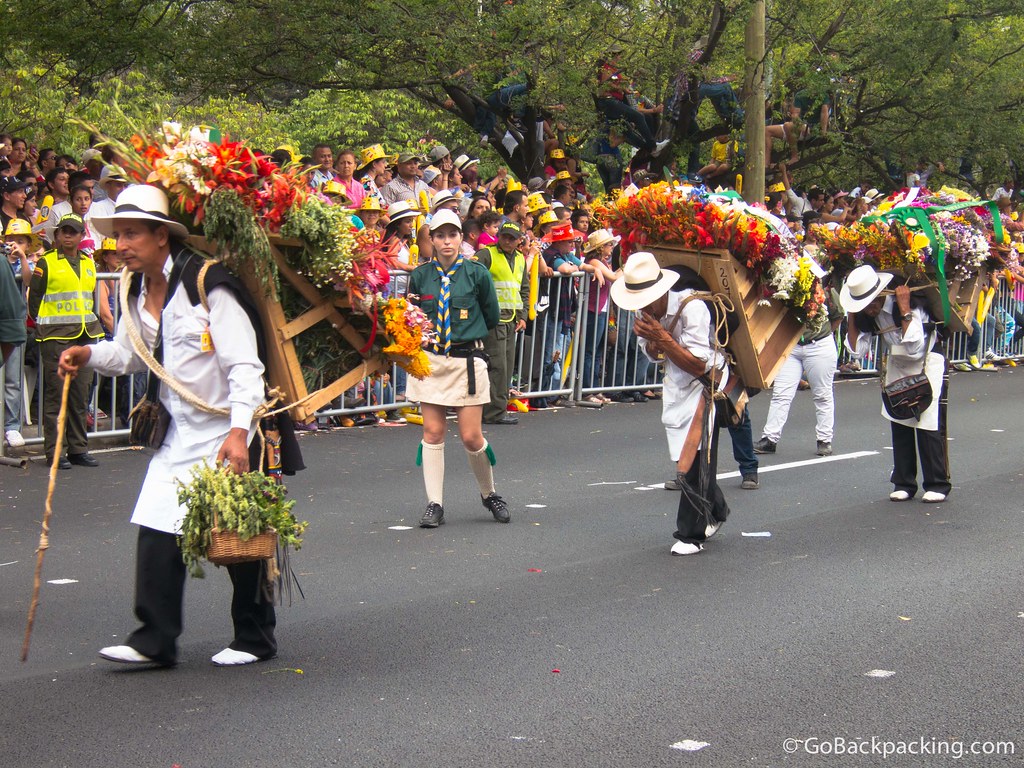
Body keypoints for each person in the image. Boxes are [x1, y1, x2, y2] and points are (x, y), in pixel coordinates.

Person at [59, 184, 284, 666]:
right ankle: (154, 639)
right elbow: (128, 355)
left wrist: (240, 433)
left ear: (162, 236)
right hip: (179, 433)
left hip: (227, 428)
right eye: (118, 234)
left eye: (132, 234)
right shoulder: (133, 289)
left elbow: (245, 367)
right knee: (158, 527)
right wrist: (87, 354)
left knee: (240, 535)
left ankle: (254, 637)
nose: (121, 244)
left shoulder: (209, 285)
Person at [613, 254, 730, 555]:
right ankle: (715, 510)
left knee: (694, 457)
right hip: (677, 387)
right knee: (685, 455)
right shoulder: (644, 315)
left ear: (663, 291)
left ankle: (691, 534)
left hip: (706, 384)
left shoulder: (693, 308)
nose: (644, 306)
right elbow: (653, 356)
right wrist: (654, 343)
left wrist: (662, 338)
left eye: (648, 299)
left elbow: (696, 365)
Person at [405, 209, 510, 528]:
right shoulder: (420, 275)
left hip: (467, 358)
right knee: (433, 432)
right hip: (431, 360)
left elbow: (490, 316)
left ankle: (489, 493)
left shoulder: (477, 272)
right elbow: (414, 315)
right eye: (440, 235)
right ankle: (434, 503)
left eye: (452, 235)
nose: (446, 241)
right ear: (432, 240)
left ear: (461, 238)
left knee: (471, 436)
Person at [840, 264, 951, 503]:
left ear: (882, 293)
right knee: (899, 418)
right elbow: (858, 351)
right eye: (863, 304)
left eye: (872, 303)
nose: (870, 309)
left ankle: (937, 483)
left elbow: (914, 347)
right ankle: (904, 482)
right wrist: (851, 314)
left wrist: (903, 307)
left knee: (927, 421)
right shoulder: (864, 313)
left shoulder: (911, 301)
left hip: (926, 358)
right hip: (897, 362)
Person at [27, 213, 103, 468]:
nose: (69, 235)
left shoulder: (89, 263)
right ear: (57, 235)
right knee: (56, 397)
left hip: (85, 335)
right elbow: (34, 301)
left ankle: (78, 449)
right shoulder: (46, 263)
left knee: (80, 396)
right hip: (56, 337)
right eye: (65, 231)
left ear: (82, 236)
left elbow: (90, 298)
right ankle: (56, 451)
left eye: (74, 231)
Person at [754, 301, 841, 457]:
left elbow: (838, 315)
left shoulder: (821, 288)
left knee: (822, 394)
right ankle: (769, 439)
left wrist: (821, 334)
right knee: (781, 394)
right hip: (791, 345)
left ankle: (824, 439)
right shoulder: (781, 285)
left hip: (819, 344)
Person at [476, 221, 529, 425]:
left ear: (519, 241)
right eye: (505, 236)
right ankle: (493, 412)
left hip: (512, 319)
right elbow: (472, 276)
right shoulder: (487, 254)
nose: (507, 241)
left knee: (506, 366)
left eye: (512, 238)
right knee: (497, 365)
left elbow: (523, 289)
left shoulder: (520, 259)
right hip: (494, 319)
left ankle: (498, 408)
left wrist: (523, 315)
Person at [3, 219, 37, 447]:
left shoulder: (29, 262)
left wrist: (22, 258)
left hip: (15, 326)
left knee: (13, 378)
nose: (14, 244)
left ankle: (12, 426)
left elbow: (29, 280)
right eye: (10, 240)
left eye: (20, 241)